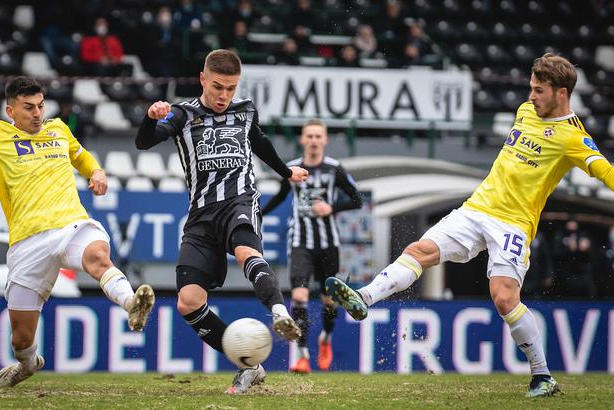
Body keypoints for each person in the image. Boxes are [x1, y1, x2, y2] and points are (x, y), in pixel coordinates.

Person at [326, 53, 614, 398]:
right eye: (531, 89)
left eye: (539, 91)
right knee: (419, 250)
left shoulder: (573, 139)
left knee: (504, 298)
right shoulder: (525, 111)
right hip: (476, 208)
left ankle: (542, 376)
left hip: (513, 224)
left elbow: (604, 171)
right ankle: (364, 297)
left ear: (561, 93)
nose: (531, 97)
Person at [0, 75, 155, 388]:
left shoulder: (58, 129)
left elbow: (79, 155)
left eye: (40, 106)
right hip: (28, 241)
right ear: (11, 111)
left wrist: (96, 171)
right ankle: (27, 364)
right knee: (21, 339)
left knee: (98, 256)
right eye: (28, 108)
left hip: (70, 224)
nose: (37, 113)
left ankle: (132, 303)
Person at [135, 49, 309, 395]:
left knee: (246, 252)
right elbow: (144, 142)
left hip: (239, 202)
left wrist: (286, 171)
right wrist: (150, 117)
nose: (224, 96)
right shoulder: (183, 115)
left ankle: (278, 312)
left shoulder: (245, 110)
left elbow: (259, 141)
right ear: (203, 78)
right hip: (201, 216)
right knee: (188, 302)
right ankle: (250, 366)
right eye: (218, 87)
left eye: (230, 88)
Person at [261, 119, 362, 373]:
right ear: (303, 139)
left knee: (329, 301)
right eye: (310, 136)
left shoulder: (334, 168)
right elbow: (283, 195)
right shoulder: (292, 168)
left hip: (328, 243)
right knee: (299, 295)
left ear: (325, 140)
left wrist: (332, 207)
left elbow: (357, 198)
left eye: (319, 136)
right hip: (300, 242)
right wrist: (259, 213)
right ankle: (303, 355)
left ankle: (325, 339)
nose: (314, 140)